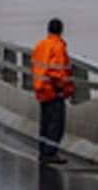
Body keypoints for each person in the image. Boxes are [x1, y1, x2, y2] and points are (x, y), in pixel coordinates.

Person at [31, 18, 74, 164]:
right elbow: (57, 72)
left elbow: (36, 66)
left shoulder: (40, 45)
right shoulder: (58, 47)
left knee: (45, 123)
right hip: (53, 91)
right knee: (56, 125)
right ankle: (51, 153)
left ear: (48, 30)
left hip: (41, 90)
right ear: (61, 30)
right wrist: (62, 88)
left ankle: (43, 151)